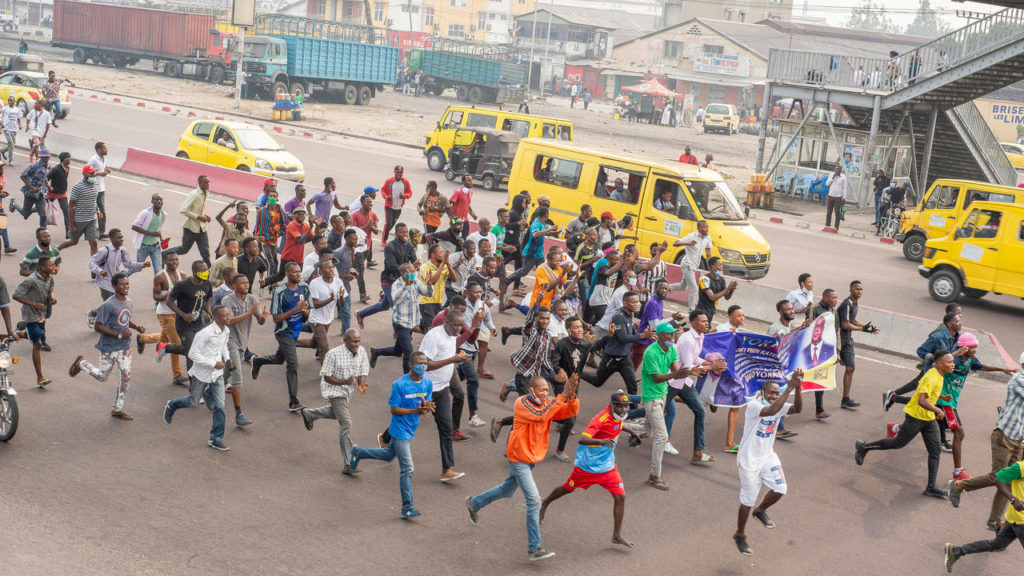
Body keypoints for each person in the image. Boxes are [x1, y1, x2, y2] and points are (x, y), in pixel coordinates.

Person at [465, 375, 580, 562]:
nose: (545, 393)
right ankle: (534, 548)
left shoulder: (547, 404)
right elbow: (540, 415)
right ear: (531, 391)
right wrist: (562, 396)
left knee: (507, 490)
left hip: (530, 459)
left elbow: (569, 412)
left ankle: (474, 503)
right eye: (541, 390)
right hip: (518, 458)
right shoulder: (522, 403)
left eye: (547, 389)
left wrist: (572, 396)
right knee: (534, 501)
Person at [539, 391, 641, 547]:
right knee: (567, 488)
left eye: (626, 406)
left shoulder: (617, 416)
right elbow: (582, 438)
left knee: (620, 497)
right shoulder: (601, 419)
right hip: (587, 467)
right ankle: (545, 502)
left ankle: (616, 536)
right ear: (611, 405)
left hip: (607, 467)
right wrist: (601, 441)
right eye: (619, 406)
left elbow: (619, 424)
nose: (623, 410)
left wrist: (633, 432)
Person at [855, 349, 956, 499]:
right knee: (897, 443)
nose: (953, 364)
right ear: (940, 363)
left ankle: (931, 487)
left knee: (935, 451)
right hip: (916, 416)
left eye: (953, 361)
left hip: (928, 418)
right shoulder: (932, 376)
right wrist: (937, 410)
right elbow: (922, 401)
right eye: (950, 362)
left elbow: (925, 390)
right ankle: (864, 447)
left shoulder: (939, 374)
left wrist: (941, 396)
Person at [349, 352, 435, 519]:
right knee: (407, 468)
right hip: (399, 429)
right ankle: (407, 508)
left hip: (411, 428)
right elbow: (394, 409)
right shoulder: (399, 384)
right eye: (419, 363)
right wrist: (414, 411)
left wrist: (427, 408)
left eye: (425, 363)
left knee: (388, 455)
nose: (423, 366)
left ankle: (357, 452)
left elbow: (426, 403)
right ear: (411, 364)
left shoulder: (428, 383)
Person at [946, 350, 1024, 532]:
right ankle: (958, 485)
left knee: (1009, 480)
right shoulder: (1019, 379)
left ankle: (994, 521)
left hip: (1018, 437)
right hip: (1005, 434)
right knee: (998, 476)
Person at [733, 371, 804, 556]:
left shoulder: (778, 404)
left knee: (781, 489)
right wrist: (788, 388)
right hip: (749, 460)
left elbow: (797, 409)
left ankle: (760, 511)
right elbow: (770, 412)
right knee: (748, 500)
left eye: (776, 393)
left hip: (767, 456)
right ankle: (740, 535)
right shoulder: (754, 405)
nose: (774, 396)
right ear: (763, 392)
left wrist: (797, 388)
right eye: (771, 392)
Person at [69, 272, 144, 420]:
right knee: (102, 376)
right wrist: (119, 335)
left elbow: (124, 318)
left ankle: (117, 409)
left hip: (124, 347)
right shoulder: (108, 305)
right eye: (122, 284)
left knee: (126, 377)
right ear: (114, 286)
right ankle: (82, 363)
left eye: (127, 283)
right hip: (109, 348)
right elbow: (98, 326)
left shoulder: (129, 302)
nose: (126, 286)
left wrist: (136, 327)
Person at [411, 298, 470, 482]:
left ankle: (447, 470)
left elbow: (446, 355)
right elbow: (425, 365)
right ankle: (387, 438)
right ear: (446, 322)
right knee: (408, 419)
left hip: (442, 389)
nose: (459, 329)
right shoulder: (434, 336)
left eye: (461, 325)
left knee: (446, 428)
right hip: (426, 389)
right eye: (456, 325)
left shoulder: (452, 335)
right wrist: (452, 360)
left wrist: (458, 358)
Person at [162, 304, 232, 450]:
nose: (228, 317)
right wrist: (213, 363)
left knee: (220, 406)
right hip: (201, 374)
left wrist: (227, 359)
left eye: (228, 315)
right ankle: (172, 404)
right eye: (225, 316)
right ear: (216, 318)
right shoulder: (205, 333)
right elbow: (192, 354)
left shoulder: (226, 330)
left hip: (217, 375)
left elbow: (224, 346)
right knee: (193, 402)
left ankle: (215, 438)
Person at [301, 328, 369, 475]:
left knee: (335, 413)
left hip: (347, 391)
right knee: (346, 423)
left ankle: (309, 414)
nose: (357, 344)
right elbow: (326, 377)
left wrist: (361, 383)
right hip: (334, 391)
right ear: (345, 340)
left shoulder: (362, 351)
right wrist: (344, 381)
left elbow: (363, 370)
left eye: (358, 341)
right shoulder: (333, 354)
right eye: (354, 341)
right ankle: (349, 463)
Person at [944, 458, 1024, 572]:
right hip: (1020, 520)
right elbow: (997, 478)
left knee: (997, 544)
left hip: (1016, 518)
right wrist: (1013, 499)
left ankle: (956, 551)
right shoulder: (1021, 467)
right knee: (997, 544)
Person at [642, 322, 696, 490]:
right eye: (669, 334)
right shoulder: (650, 352)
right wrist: (677, 374)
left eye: (673, 334)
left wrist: (692, 370)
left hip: (663, 394)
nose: (673, 337)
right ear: (660, 335)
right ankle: (654, 476)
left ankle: (617, 424)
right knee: (661, 436)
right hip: (652, 397)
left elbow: (676, 370)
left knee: (645, 430)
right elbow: (657, 378)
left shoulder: (671, 350)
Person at [250, 262, 309, 412]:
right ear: (287, 273)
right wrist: (295, 309)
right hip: (283, 332)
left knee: (279, 359)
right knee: (293, 365)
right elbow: (276, 319)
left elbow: (307, 314)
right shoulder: (279, 292)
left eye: (299, 271)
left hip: (296, 330)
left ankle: (257, 361)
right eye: (294, 272)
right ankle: (293, 402)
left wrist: (304, 311)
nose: (298, 274)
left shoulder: (304, 287)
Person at [369, 262, 436, 373]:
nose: (413, 273)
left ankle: (376, 352)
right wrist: (407, 285)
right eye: (410, 271)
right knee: (409, 352)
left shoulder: (416, 282)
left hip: (411, 323)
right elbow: (396, 300)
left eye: (414, 271)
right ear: (403, 274)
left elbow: (428, 293)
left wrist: (429, 284)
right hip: (400, 323)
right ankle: (407, 377)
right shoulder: (397, 285)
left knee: (397, 351)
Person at [584, 292, 653, 396]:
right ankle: (578, 372)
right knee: (597, 382)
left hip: (624, 358)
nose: (637, 304)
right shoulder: (618, 317)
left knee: (632, 386)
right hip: (612, 358)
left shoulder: (630, 314)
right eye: (633, 302)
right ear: (625, 304)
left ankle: (633, 406)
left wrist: (646, 335)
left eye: (637, 301)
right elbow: (623, 338)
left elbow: (633, 334)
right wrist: (642, 336)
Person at [222, 273, 267, 426]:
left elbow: (260, 321)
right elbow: (228, 321)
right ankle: (238, 414)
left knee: (229, 370)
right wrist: (249, 312)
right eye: (242, 283)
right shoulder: (227, 300)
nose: (246, 285)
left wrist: (262, 317)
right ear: (234, 286)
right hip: (230, 341)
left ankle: (211, 388)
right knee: (237, 376)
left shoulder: (252, 299)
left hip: (243, 342)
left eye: (247, 282)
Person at [137, 253, 188, 386]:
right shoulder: (160, 277)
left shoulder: (183, 275)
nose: (174, 262)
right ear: (165, 261)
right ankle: (177, 375)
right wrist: (168, 297)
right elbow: (155, 296)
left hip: (178, 313)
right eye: (171, 260)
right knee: (176, 342)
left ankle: (143, 339)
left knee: (165, 338)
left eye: (176, 259)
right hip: (165, 314)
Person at [155, 260, 212, 372]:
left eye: (206, 269)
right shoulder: (183, 285)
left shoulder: (207, 284)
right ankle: (193, 379)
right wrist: (183, 315)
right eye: (202, 270)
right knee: (191, 352)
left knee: (196, 349)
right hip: (184, 324)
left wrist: (208, 312)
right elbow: (169, 301)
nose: (206, 272)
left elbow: (207, 299)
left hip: (198, 323)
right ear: (194, 272)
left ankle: (165, 347)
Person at [357, 222, 416, 327]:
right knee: (397, 307)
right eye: (402, 232)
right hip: (389, 281)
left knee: (385, 306)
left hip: (403, 279)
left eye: (406, 232)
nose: (405, 234)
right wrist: (408, 270)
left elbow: (414, 261)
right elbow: (392, 265)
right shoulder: (389, 246)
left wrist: (416, 266)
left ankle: (360, 314)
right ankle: (400, 332)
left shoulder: (409, 245)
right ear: (396, 233)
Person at [86, 227, 149, 324]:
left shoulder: (122, 250)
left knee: (113, 303)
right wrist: (100, 271)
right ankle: (102, 322)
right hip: (105, 282)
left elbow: (128, 264)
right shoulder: (104, 250)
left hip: (116, 282)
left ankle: (94, 313)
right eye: (119, 237)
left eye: (122, 237)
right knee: (110, 304)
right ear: (111, 239)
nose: (122, 239)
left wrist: (142, 265)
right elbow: (91, 262)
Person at [12, 255, 56, 387]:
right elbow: (16, 295)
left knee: (37, 336)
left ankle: (19, 333)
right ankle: (40, 378)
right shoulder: (31, 280)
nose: (53, 267)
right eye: (51, 265)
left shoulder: (49, 278)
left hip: (42, 314)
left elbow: (50, 290)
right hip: (31, 316)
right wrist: (34, 304)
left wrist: (52, 298)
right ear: (42, 267)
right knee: (37, 344)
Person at [838, 280, 877, 409]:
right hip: (839, 339)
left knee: (850, 368)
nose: (859, 292)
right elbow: (845, 324)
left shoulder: (855, 303)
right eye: (857, 289)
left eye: (861, 289)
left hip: (847, 339)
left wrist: (866, 327)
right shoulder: (846, 304)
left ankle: (845, 399)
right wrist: (862, 329)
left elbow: (852, 320)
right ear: (850, 290)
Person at [163, 175, 212, 268]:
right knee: (184, 249)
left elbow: (197, 209)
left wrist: (205, 216)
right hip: (191, 228)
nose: (207, 184)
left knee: (205, 253)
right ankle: (163, 254)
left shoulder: (206, 193)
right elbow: (183, 209)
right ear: (199, 183)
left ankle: (209, 271)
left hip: (201, 228)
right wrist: (198, 217)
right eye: (205, 182)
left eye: (208, 182)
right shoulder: (194, 194)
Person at [302, 260, 345, 361]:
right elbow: (315, 305)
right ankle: (326, 371)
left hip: (328, 319)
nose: (331, 270)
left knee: (313, 344)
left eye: (332, 267)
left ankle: (289, 343)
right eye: (327, 268)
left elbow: (342, 304)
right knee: (325, 348)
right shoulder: (315, 283)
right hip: (316, 320)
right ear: (320, 271)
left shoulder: (338, 282)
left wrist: (341, 297)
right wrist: (330, 299)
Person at [673, 220, 713, 312]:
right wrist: (688, 243)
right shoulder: (691, 236)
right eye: (704, 227)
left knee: (683, 286)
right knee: (694, 288)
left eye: (707, 227)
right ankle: (692, 310)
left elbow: (708, 250)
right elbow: (675, 243)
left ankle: (663, 287)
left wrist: (710, 263)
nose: (706, 229)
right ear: (699, 228)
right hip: (687, 264)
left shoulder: (708, 237)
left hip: (694, 266)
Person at [12, 148, 50, 227]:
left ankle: (42, 231)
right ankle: (14, 204)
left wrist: (48, 188)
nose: (47, 159)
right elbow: (23, 176)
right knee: (25, 213)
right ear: (42, 157)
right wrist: (32, 188)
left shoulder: (48, 167)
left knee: (43, 215)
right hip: (30, 193)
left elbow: (44, 177)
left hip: (40, 193)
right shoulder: (34, 166)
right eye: (45, 157)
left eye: (48, 157)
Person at [130, 193, 165, 272]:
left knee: (158, 270)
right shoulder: (145, 213)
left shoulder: (162, 214)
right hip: (144, 247)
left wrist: (161, 238)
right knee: (138, 268)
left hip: (156, 247)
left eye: (161, 200)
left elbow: (157, 228)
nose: (159, 201)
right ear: (152, 201)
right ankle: (122, 275)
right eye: (157, 199)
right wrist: (151, 234)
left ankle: (158, 281)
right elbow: (134, 227)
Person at [381, 166, 412, 246]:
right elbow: (383, 190)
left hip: (398, 208)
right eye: (397, 172)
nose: (399, 174)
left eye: (401, 172)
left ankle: (385, 234)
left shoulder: (406, 182)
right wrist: (386, 197)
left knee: (391, 225)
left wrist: (404, 196)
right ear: (394, 172)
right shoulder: (389, 181)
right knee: (388, 224)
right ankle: (384, 241)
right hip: (389, 207)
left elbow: (410, 193)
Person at [86, 142, 111, 238]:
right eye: (105, 148)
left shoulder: (104, 158)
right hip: (93, 187)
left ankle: (97, 230)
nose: (107, 150)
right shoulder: (93, 160)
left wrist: (106, 170)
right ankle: (100, 232)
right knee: (99, 210)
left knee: (98, 209)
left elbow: (101, 168)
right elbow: (86, 173)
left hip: (101, 188)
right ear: (99, 150)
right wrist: (100, 174)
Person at [351, 193, 380, 274]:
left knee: (359, 265)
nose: (370, 204)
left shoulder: (373, 214)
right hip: (357, 244)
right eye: (368, 202)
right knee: (358, 266)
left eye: (371, 202)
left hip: (367, 245)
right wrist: (367, 225)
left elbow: (376, 232)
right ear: (362, 203)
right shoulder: (355, 215)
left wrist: (372, 227)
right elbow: (354, 231)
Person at [824, 165, 848, 231]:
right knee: (829, 211)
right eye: (836, 169)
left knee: (837, 213)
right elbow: (827, 184)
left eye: (838, 169)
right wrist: (832, 177)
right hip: (831, 195)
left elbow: (844, 188)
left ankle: (836, 227)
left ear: (841, 170)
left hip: (838, 197)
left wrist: (844, 197)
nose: (837, 171)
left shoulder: (843, 177)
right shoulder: (831, 175)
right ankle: (827, 225)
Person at [0, 95, 21, 166]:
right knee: (11, 143)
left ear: (14, 101)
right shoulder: (5, 109)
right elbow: (0, 115)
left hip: (14, 129)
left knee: (12, 145)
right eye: (9, 100)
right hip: (6, 128)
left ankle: (2, 150)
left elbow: (19, 118)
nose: (10, 102)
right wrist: (1, 123)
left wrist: (20, 125)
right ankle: (10, 161)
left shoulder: (17, 109)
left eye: (11, 100)